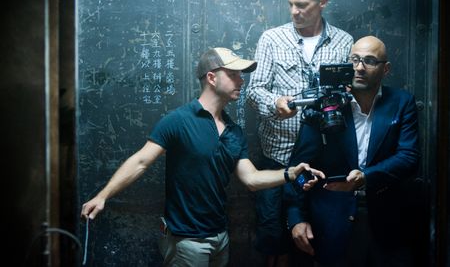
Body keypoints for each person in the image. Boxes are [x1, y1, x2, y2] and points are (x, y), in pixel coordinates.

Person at [80, 47, 324, 267]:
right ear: (212, 77)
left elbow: (251, 179)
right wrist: (103, 196)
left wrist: (291, 173)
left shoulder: (233, 131)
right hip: (186, 241)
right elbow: (141, 161)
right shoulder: (179, 120)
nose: (242, 81)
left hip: (220, 238)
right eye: (234, 74)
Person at [245, 0, 353, 265]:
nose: (294, 11)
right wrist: (275, 103)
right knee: (274, 243)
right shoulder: (271, 38)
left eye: (302, 5)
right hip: (279, 158)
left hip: (323, 162)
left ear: (323, 2)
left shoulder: (344, 42)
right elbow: (255, 91)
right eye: (291, 3)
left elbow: (350, 94)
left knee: (316, 243)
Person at [284, 36, 420, 267]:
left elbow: (409, 157)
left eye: (369, 61)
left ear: (385, 69)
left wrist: (366, 177)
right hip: (331, 219)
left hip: (387, 220)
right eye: (355, 59)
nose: (359, 67)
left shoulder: (401, 102)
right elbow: (299, 167)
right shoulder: (326, 104)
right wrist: (296, 218)